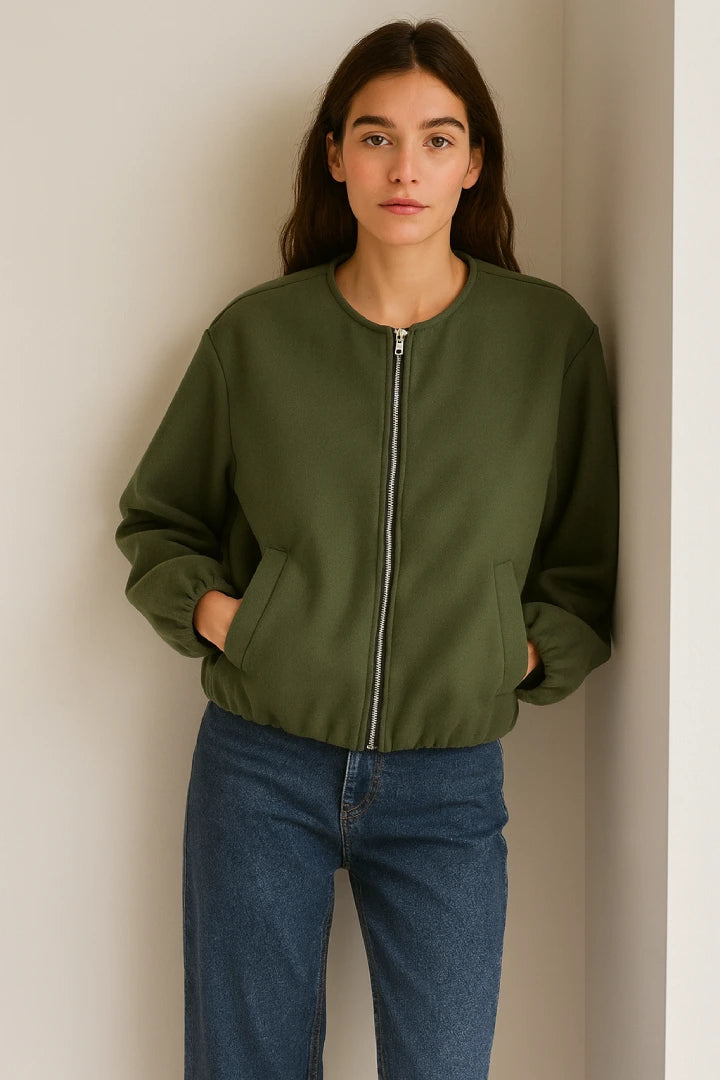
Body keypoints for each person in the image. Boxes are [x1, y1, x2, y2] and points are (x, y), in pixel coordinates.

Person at [115, 17, 619, 1080]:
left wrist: (512, 654)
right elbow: (160, 521)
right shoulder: (256, 338)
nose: (405, 168)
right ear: (336, 156)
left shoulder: (548, 344)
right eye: (377, 136)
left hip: (450, 782)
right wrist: (231, 622)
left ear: (474, 163)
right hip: (262, 768)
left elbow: (580, 571)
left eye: (438, 139)